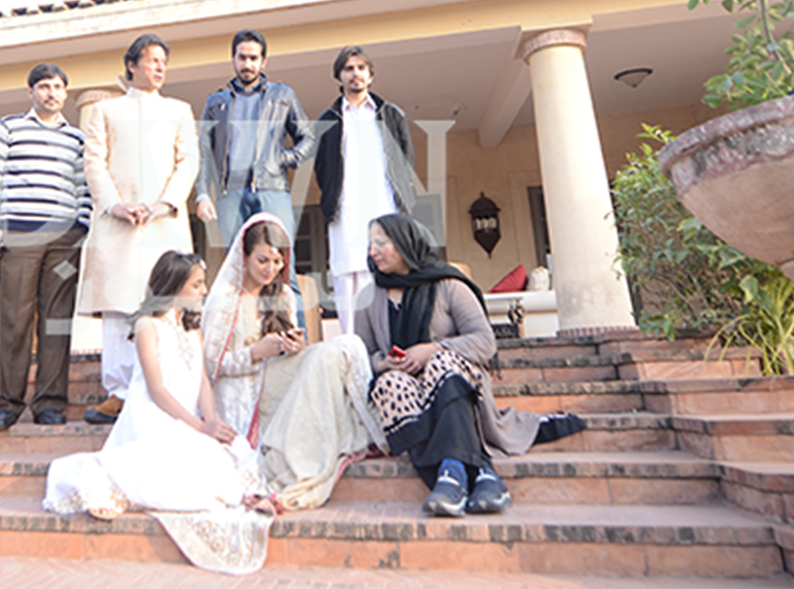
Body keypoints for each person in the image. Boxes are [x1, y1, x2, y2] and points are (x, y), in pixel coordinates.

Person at [43, 251, 271, 574]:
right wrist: (198, 427)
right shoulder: (147, 325)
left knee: (230, 451)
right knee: (171, 466)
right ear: (175, 286)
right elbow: (157, 389)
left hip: (189, 419)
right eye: (197, 284)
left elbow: (202, 382)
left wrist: (211, 423)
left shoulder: (192, 328)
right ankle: (103, 484)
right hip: (153, 416)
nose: (204, 290)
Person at [355, 213, 585, 517]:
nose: (372, 251)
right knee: (388, 383)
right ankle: (482, 477)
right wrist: (384, 363)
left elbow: (484, 342)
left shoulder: (448, 285)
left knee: (441, 362)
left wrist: (432, 349)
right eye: (370, 244)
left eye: (381, 243)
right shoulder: (368, 297)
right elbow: (363, 355)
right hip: (406, 392)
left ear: (404, 243)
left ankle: (453, 475)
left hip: (456, 383)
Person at [202, 213, 387, 512]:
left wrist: (295, 347)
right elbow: (210, 366)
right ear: (244, 256)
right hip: (243, 391)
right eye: (263, 260)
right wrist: (255, 353)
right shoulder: (225, 300)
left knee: (344, 346)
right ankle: (301, 467)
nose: (271, 269)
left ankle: (364, 430)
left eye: (277, 261)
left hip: (277, 375)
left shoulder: (284, 294)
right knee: (326, 357)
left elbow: (289, 347)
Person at [77, 34, 199, 425]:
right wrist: (115, 205)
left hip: (165, 220)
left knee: (166, 303)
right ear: (132, 65)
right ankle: (118, 393)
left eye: (164, 61)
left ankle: (169, 389)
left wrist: (165, 204)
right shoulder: (105, 110)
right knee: (119, 306)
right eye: (152, 60)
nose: (160, 67)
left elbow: (188, 162)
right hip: (118, 223)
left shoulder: (180, 110)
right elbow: (94, 162)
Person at [0, 63, 91, 431]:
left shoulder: (76, 138)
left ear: (66, 93)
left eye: (58, 87)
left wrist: (81, 226)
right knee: (16, 320)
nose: (51, 93)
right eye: (44, 86)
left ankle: (50, 403)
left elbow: (84, 186)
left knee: (56, 321)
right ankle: (9, 404)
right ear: (31, 92)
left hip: (64, 239)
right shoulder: (9, 128)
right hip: (19, 234)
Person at [314, 45, 416, 335]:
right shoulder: (328, 120)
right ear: (339, 77)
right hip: (345, 213)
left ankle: (393, 345)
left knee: (389, 274)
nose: (355, 73)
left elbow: (406, 159)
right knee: (348, 281)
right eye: (348, 68)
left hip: (385, 209)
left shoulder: (391, 114)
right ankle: (353, 350)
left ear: (370, 75)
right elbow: (323, 169)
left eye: (361, 68)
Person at [194, 29, 316, 269]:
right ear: (233, 59)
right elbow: (204, 153)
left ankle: (288, 298)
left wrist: (281, 158)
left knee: (282, 264)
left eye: (253, 58)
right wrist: (202, 194)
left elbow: (308, 139)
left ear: (263, 61)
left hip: (272, 189)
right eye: (242, 57)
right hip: (230, 194)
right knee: (237, 266)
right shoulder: (215, 102)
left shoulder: (282, 95)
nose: (247, 64)